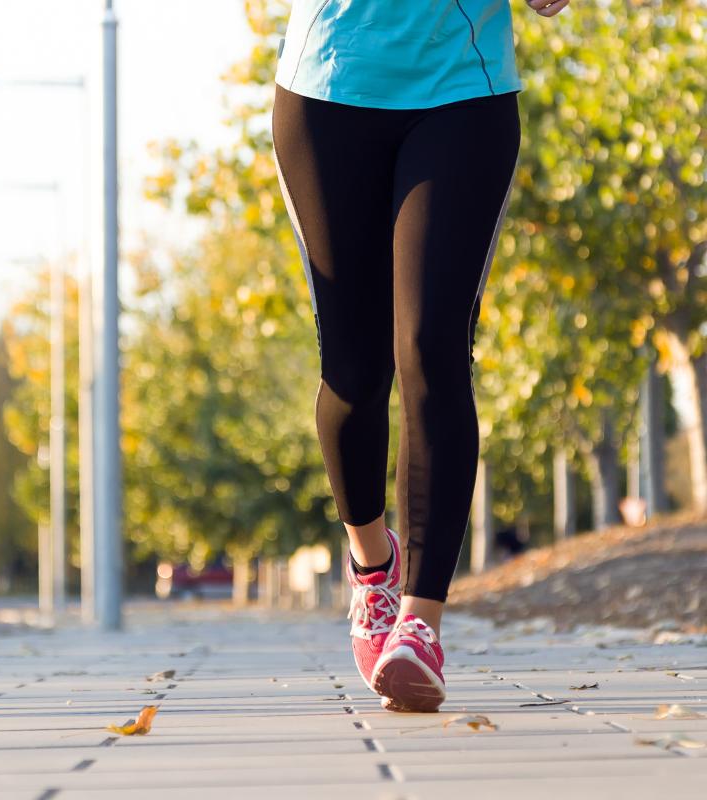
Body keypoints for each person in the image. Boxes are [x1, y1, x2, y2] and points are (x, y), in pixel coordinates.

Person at [272, 0, 570, 712]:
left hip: (462, 87)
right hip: (328, 87)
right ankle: (373, 567)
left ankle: (419, 625)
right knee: (353, 370)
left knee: (431, 346)